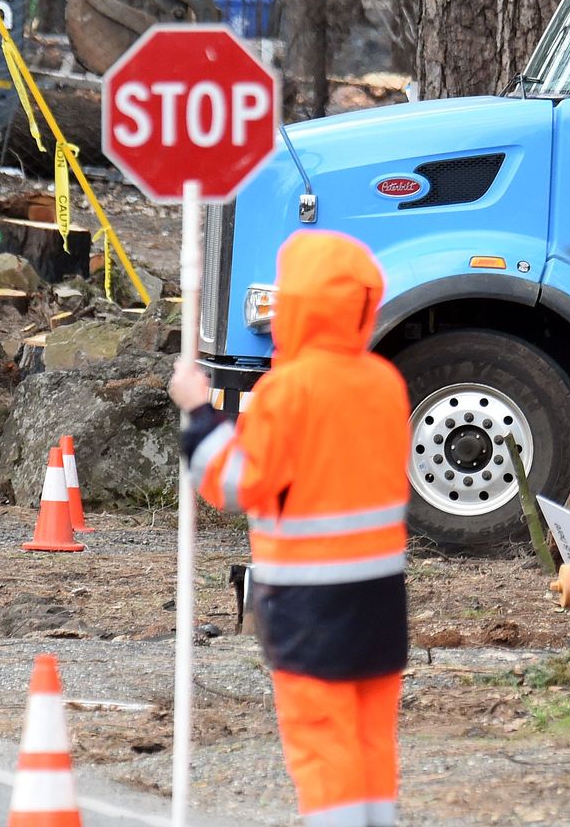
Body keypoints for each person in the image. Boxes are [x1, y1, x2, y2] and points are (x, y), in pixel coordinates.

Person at [170, 230, 411, 827]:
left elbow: (235, 484)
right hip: (381, 598)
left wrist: (199, 415)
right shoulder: (386, 383)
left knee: (322, 740)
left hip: (309, 602)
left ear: (297, 306)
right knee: (370, 739)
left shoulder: (287, 392)